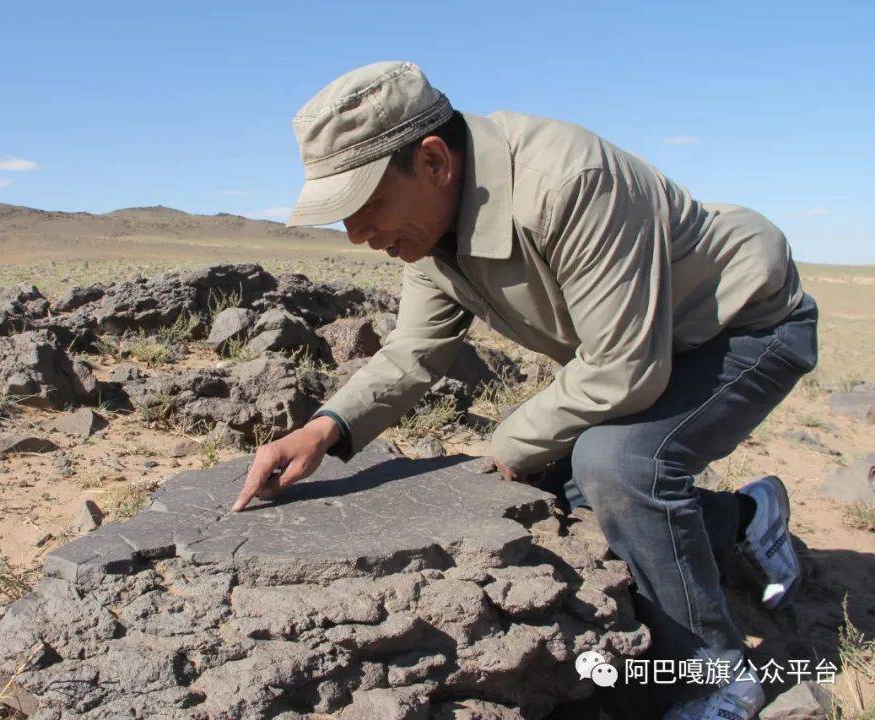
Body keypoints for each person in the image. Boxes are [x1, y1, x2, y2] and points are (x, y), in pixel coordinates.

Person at [231, 61, 817, 720]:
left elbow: (623, 366)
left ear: (433, 162)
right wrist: (324, 428)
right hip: (647, 347)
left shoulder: (569, 182)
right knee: (557, 474)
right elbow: (413, 352)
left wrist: (505, 449)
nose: (358, 235)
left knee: (618, 464)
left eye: (364, 206)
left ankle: (717, 677)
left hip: (746, 324)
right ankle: (745, 522)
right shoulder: (429, 238)